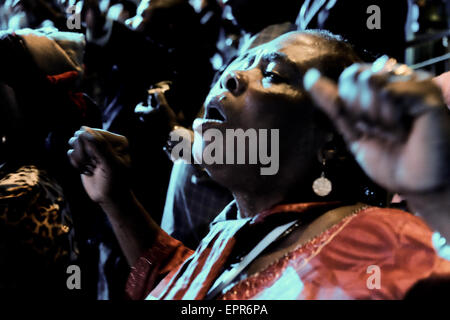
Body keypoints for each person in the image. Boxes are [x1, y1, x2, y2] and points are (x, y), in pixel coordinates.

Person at [68, 30, 450, 299]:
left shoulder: (383, 240)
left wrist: (436, 194)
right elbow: (187, 285)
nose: (230, 77)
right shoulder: (231, 235)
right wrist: (116, 199)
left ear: (330, 144)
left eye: (272, 75)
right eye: (239, 63)